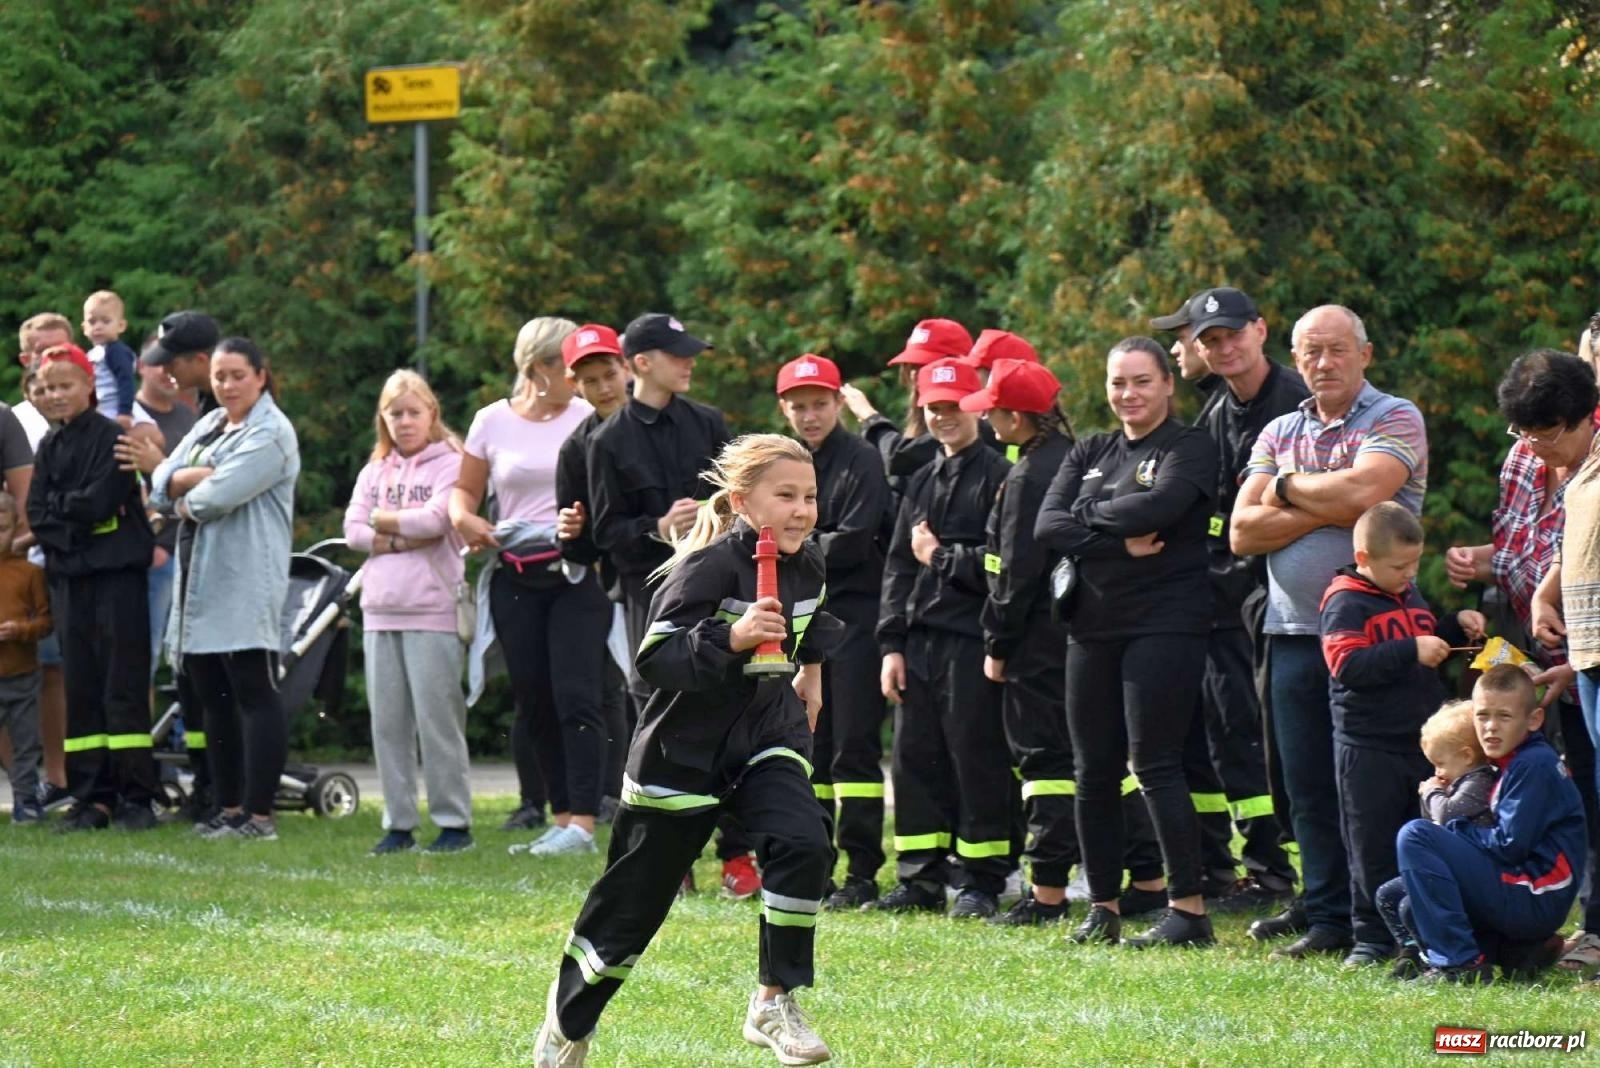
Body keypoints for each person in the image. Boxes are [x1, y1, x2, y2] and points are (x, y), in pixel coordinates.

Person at [533, 434, 841, 1068]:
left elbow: (810, 624)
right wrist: (731, 636)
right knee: (630, 913)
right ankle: (567, 1022)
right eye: (785, 496)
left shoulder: (808, 562)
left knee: (805, 840)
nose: (802, 510)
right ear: (741, 501)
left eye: (809, 496)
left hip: (766, 734)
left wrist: (811, 672)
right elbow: (656, 659)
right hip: (683, 750)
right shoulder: (706, 566)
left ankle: (773, 999)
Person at [1231, 304, 1428, 959]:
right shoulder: (1278, 427)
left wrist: (1284, 489)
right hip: (1291, 633)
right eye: (1310, 351)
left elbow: (1367, 497)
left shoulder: (1395, 416)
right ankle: (1327, 918)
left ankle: (1397, 921)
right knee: (1308, 786)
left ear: (1364, 355)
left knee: (1377, 789)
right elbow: (1241, 532)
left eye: (1337, 349)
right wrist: (1327, 506)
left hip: (1377, 638)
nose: (1323, 363)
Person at [1035, 336, 1220, 948]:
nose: (1128, 394)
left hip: (1166, 621)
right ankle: (1105, 908)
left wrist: (1088, 512)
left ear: (1168, 383)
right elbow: (1046, 524)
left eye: (1141, 381)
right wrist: (1112, 534)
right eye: (1118, 383)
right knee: (1093, 770)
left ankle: (1188, 910)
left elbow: (1161, 506)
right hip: (1092, 625)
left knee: (1156, 762)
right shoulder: (1091, 447)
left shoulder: (1190, 445)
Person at [586, 313, 761, 894]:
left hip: (722, 591)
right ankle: (669, 854)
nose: (690, 362)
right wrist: (660, 527)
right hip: (651, 597)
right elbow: (606, 534)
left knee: (733, 710)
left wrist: (712, 520)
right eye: (677, 353)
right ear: (641, 363)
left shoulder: (709, 423)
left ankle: (737, 857)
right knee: (659, 720)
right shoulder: (607, 439)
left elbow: (742, 502)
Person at [1156, 287, 1309, 911]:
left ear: (1262, 331)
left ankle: (1296, 875)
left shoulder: (1297, 401)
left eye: (1231, 336)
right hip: (1230, 599)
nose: (1223, 348)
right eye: (1209, 340)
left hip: (1292, 595)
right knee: (1233, 739)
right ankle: (1264, 870)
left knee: (1280, 741)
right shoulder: (1218, 409)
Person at [1451, 350, 1600, 974]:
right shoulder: (1552, 462)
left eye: (1544, 437)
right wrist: (1542, 592)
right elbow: (1563, 548)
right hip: (1566, 655)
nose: (1534, 449)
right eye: (1523, 436)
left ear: (1583, 417)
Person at [451, 317, 608, 858]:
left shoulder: (590, 416)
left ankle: (585, 821)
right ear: (540, 368)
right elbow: (462, 495)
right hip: (514, 574)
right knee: (534, 700)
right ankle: (560, 818)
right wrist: (466, 521)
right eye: (567, 365)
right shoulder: (491, 420)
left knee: (577, 697)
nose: (578, 374)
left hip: (574, 576)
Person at [873, 358, 1015, 919]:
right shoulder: (922, 480)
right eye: (934, 407)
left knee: (976, 759)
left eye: (954, 405)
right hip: (919, 643)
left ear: (975, 407)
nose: (943, 416)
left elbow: (1004, 568)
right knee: (913, 759)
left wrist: (941, 557)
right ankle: (919, 877)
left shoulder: (1002, 477)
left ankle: (980, 879)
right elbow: (895, 570)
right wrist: (890, 645)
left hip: (973, 640)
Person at [1318, 502, 1485, 966]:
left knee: (1419, 839)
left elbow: (1425, 643)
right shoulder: (1344, 601)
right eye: (1399, 567)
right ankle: (1371, 938)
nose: (1409, 575)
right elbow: (1347, 665)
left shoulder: (1406, 593)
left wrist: (1454, 627)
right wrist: (1410, 648)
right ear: (1364, 557)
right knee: (1370, 844)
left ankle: (1421, 931)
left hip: (1419, 744)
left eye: (1414, 565)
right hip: (1367, 745)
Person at [150, 337, 299, 842]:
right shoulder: (210, 424)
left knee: (253, 692)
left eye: (238, 375)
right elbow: (159, 480)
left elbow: (215, 499)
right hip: (198, 583)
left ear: (261, 375)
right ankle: (228, 808)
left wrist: (182, 490)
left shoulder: (273, 433)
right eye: (219, 376)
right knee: (212, 696)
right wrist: (190, 480)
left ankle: (259, 817)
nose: (228, 385)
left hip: (245, 579)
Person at [960, 358, 1080, 924]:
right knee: (1088, 756)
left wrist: (997, 643)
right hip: (1072, 632)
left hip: (1034, 640)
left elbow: (1014, 571)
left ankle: (1047, 890)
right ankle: (1146, 870)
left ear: (1015, 417)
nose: (989, 421)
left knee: (1043, 762)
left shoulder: (1030, 474)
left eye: (994, 412)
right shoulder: (1067, 457)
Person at [773, 354, 891, 909]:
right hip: (797, 619)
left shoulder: (862, 459)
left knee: (855, 749)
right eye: (799, 406)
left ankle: (863, 871)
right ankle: (813, 866)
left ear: (838, 403)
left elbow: (856, 537)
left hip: (855, 619)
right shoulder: (782, 463)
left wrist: (793, 543)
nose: (810, 415)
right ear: (784, 409)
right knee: (808, 748)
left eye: (819, 404)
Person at [27, 344, 158, 831]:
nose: (56, 395)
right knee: (80, 685)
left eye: (66, 385)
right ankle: (91, 797)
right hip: (71, 580)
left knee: (122, 683)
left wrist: (67, 513)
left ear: (89, 387)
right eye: (48, 387)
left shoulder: (112, 438)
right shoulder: (49, 446)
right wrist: (70, 515)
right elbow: (37, 514)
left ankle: (136, 797)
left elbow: (102, 502)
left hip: (116, 577)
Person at [345, 370, 474, 855]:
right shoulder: (374, 469)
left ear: (431, 414)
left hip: (432, 608)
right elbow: (352, 529)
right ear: (384, 418)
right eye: (394, 413)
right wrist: (401, 534)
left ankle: (453, 822)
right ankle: (398, 822)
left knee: (438, 721)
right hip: (380, 609)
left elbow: (439, 519)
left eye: (413, 412)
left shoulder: (450, 462)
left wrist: (382, 525)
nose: (404, 422)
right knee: (388, 723)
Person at [1395, 665, 1587, 983]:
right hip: (1523, 894)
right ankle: (1519, 951)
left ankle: (1460, 965)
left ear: (1534, 720)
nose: (1491, 728)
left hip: (1536, 896)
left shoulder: (1533, 764)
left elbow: (1509, 846)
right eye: (1482, 716)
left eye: (1504, 717)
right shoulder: (1515, 759)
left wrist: (1452, 831)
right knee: (1407, 902)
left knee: (1415, 836)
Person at [553, 323, 633, 823]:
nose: (604, 387)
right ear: (573, 384)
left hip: (689, 576)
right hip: (621, 587)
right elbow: (580, 551)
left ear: (628, 368)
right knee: (623, 689)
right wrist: (570, 532)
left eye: (609, 374)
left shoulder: (669, 423)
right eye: (591, 380)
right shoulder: (576, 448)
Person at [1375, 700, 1497, 979]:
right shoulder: (1455, 783)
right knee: (1388, 896)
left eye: (1440, 763)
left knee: (1408, 907)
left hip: (1468, 871)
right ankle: (1414, 952)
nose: (1437, 772)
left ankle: (1442, 958)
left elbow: (1447, 815)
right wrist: (1435, 794)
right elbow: (1432, 819)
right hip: (1446, 868)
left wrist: (1432, 793)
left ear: (1467, 756)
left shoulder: (1478, 781)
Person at [841, 318, 974, 480]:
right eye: (911, 367)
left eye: (925, 366)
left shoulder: (970, 422)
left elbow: (900, 458)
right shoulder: (923, 419)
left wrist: (870, 417)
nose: (914, 375)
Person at [0, 492, 50, 822]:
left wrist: (19, 630)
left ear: (16, 526)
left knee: (26, 743)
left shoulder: (29, 573)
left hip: (22, 674)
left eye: (2, 527)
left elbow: (47, 622)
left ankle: (26, 800)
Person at [81, 291, 138, 429]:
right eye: (92, 321)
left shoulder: (116, 351)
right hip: (100, 408)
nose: (98, 326)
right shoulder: (91, 354)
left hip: (115, 408)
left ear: (121, 326)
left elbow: (126, 381)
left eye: (106, 321)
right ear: (84, 328)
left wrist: (125, 412)